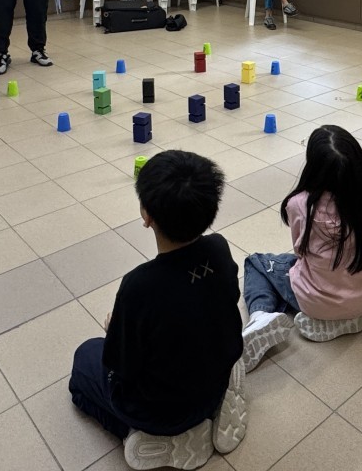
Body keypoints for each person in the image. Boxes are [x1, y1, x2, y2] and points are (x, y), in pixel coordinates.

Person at [68, 151, 247, 470]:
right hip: (216, 376)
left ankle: (147, 435)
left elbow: (122, 363)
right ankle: (213, 409)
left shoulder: (139, 286)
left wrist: (115, 329)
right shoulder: (219, 248)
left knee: (84, 360)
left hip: (162, 409)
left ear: (147, 215)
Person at [240, 125, 362, 371]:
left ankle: (261, 316)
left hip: (315, 301)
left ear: (312, 166)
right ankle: (346, 319)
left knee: (256, 263)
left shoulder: (299, 204)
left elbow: (300, 252)